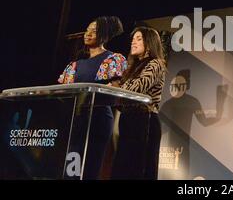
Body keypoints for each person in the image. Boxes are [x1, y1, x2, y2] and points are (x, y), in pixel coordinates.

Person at [58, 16, 127, 179]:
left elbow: (115, 91)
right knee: (71, 166)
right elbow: (62, 93)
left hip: (98, 119)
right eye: (87, 30)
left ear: (104, 35)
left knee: (90, 165)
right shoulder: (75, 65)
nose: (88, 34)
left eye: (94, 31)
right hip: (76, 119)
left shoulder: (113, 59)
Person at [111, 26, 167, 180]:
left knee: (139, 171)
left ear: (149, 43)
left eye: (139, 39)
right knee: (121, 170)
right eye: (133, 39)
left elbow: (137, 88)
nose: (133, 42)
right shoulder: (131, 67)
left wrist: (118, 86)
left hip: (145, 121)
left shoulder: (156, 64)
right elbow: (119, 98)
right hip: (127, 121)